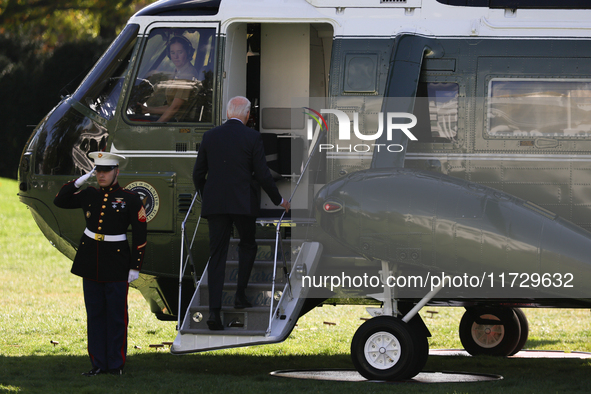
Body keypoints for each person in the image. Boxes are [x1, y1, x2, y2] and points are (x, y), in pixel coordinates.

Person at [193, 96, 290, 330]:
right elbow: (263, 173)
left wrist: (209, 197)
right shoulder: (252, 137)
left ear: (227, 113)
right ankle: (240, 295)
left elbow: (198, 174)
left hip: (216, 206)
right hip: (243, 204)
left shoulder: (210, 136)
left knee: (217, 255)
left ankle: (214, 313)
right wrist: (279, 200)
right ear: (247, 115)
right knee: (248, 244)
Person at [53, 152, 147, 376]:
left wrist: (135, 266)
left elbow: (141, 235)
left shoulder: (130, 199)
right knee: (95, 315)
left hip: (116, 262)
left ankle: (115, 366)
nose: (101, 175)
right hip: (91, 260)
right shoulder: (89, 194)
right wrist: (78, 181)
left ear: (117, 172)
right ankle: (98, 364)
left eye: (105, 171)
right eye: (98, 171)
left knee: (116, 316)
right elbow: (60, 200)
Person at [140, 35, 201, 122]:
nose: (176, 56)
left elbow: (175, 108)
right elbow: (171, 106)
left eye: (180, 52)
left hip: (179, 124)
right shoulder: (178, 72)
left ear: (188, 52)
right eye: (172, 53)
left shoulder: (187, 75)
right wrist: (147, 109)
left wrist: (156, 126)